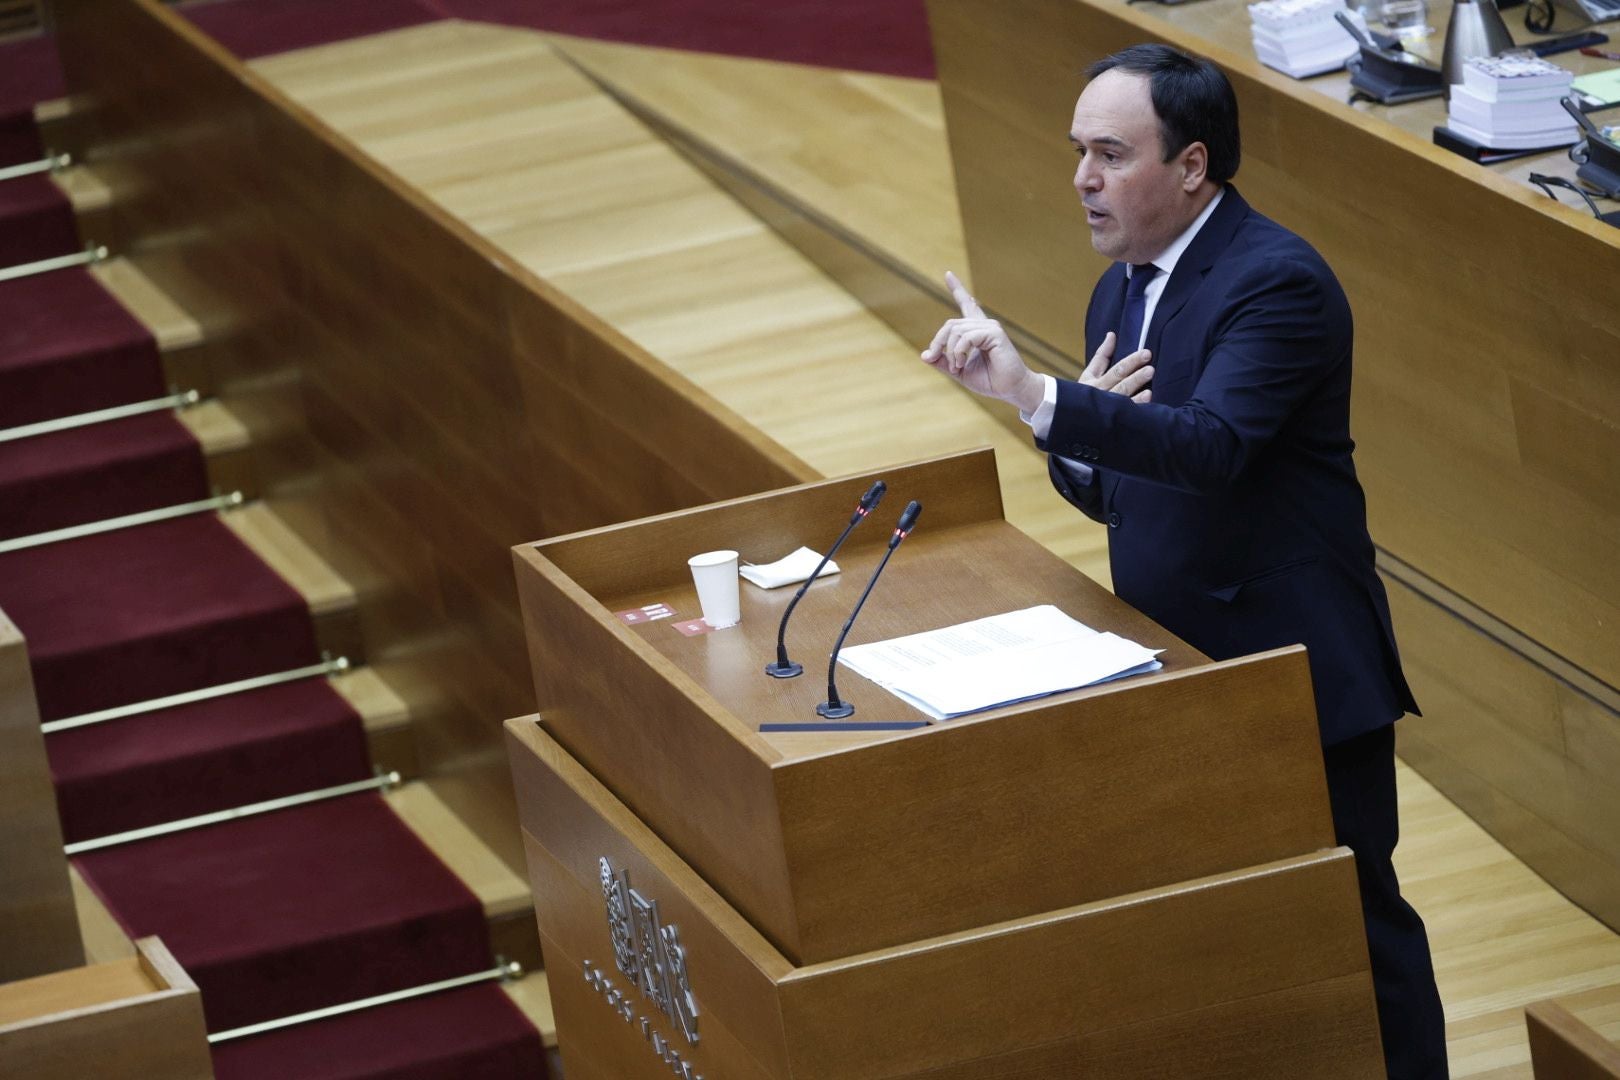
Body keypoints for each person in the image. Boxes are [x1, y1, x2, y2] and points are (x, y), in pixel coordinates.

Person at [921, 43, 1448, 1080]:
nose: (1082, 177)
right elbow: (1115, 487)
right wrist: (1063, 430)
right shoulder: (1121, 292)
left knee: (1355, 924)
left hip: (1292, 672)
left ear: (1194, 166)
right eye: (1079, 151)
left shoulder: (1277, 284)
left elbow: (1209, 450)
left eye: (1111, 153)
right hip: (1177, 670)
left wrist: (1041, 401)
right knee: (1238, 932)